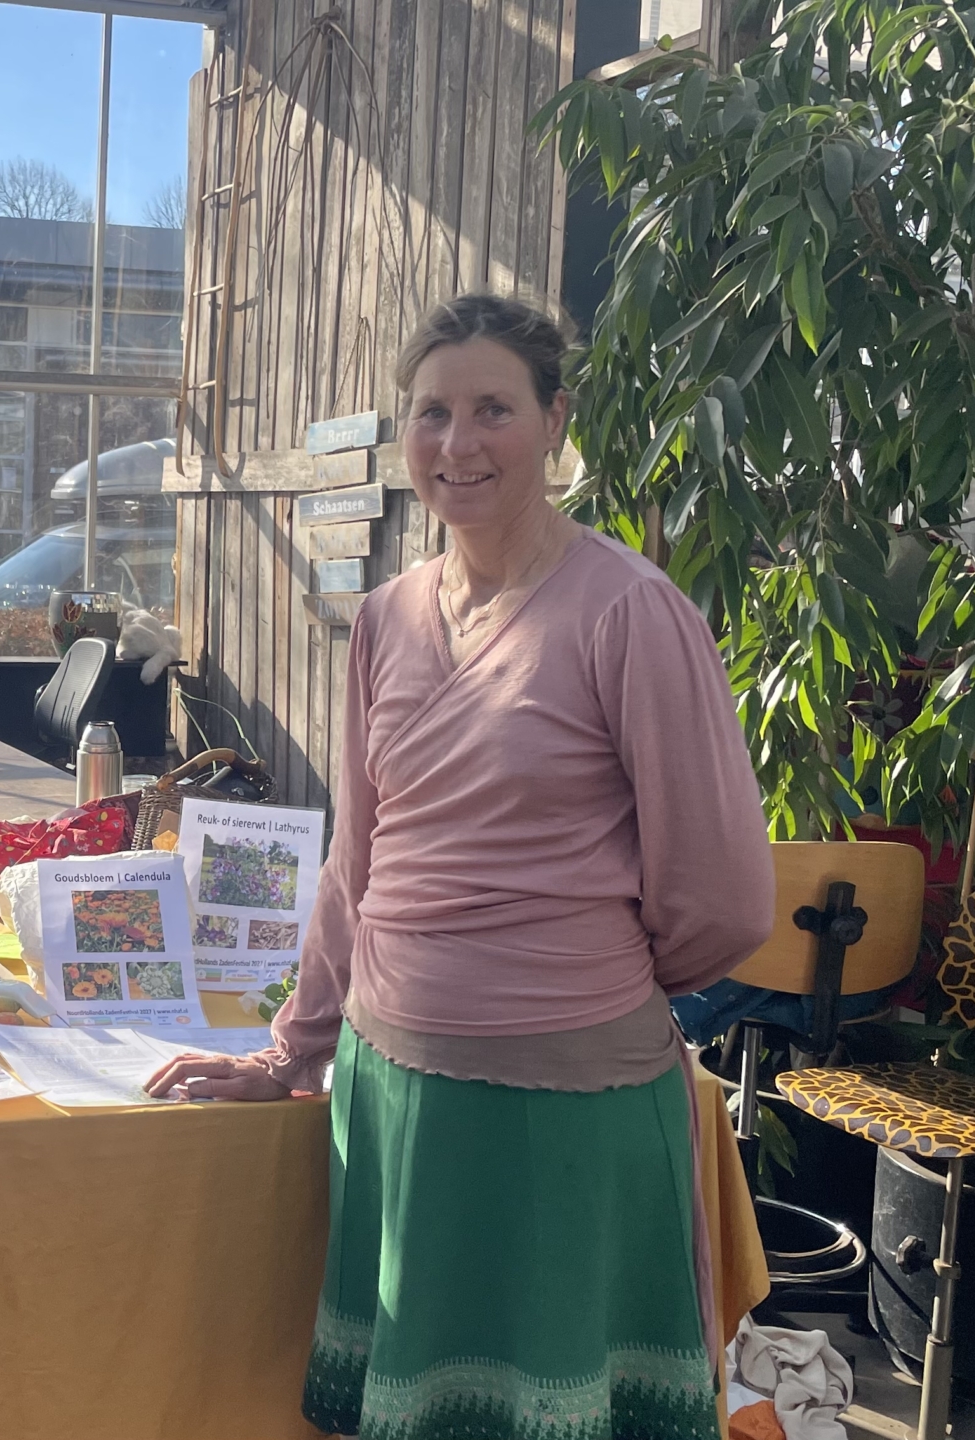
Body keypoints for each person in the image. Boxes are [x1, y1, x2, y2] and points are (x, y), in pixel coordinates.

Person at [147, 293, 774, 1440]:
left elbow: (724, 897)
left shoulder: (630, 613)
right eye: (432, 413)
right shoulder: (385, 618)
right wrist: (295, 1045)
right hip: (391, 1094)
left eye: (494, 408)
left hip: (568, 1108)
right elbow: (360, 861)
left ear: (555, 422)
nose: (458, 443)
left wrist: (562, 978)